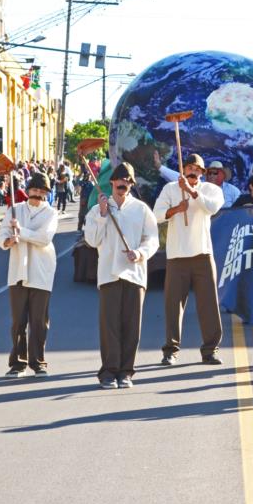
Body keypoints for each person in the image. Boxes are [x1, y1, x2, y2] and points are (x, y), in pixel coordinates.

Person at [84, 162, 159, 389]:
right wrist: (102, 215)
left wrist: (140, 253)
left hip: (135, 275)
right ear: (112, 183)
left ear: (131, 184)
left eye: (127, 181)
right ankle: (108, 372)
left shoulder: (142, 209)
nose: (123, 184)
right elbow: (91, 240)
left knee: (131, 327)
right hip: (108, 274)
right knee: (110, 327)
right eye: (119, 181)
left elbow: (152, 239)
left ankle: (126, 372)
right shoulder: (98, 210)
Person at [153, 153, 225, 366]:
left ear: (202, 173)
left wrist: (192, 192)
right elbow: (156, 215)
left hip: (202, 253)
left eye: (197, 169)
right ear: (183, 170)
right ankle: (171, 350)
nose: (193, 171)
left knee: (208, 305)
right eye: (190, 168)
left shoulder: (211, 190)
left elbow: (212, 208)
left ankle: (210, 350)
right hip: (176, 255)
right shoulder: (170, 189)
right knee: (173, 305)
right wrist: (176, 209)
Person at [0, 173, 58, 378]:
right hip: (17, 271)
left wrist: (21, 232)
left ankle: (38, 362)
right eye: (35, 190)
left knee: (39, 321)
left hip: (41, 272)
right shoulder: (15, 210)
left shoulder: (50, 214)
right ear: (28, 190)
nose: (38, 194)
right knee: (18, 321)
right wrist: (8, 241)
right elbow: (1, 235)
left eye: (43, 191)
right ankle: (18, 363)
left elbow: (44, 238)